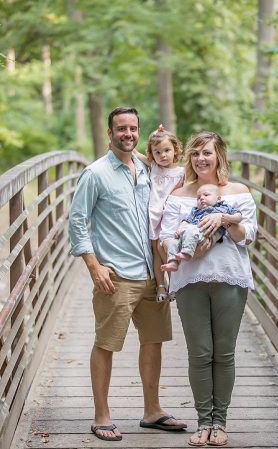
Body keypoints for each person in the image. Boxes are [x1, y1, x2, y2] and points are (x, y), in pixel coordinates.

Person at [68, 107, 187, 442]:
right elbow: (77, 222)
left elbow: (179, 167)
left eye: (133, 128)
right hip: (116, 275)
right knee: (106, 343)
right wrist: (94, 266)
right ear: (110, 133)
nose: (127, 134)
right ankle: (101, 416)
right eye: (121, 129)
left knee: (154, 341)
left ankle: (152, 411)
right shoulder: (95, 174)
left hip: (153, 272)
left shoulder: (149, 167)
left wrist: (159, 141)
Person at [159, 131, 256, 447]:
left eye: (208, 153)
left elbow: (247, 236)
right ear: (189, 158)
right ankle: (203, 422)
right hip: (191, 282)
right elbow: (164, 239)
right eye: (196, 153)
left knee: (224, 353)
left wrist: (225, 219)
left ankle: (220, 423)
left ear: (220, 157)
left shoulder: (238, 193)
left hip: (230, 280)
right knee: (200, 353)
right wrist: (187, 248)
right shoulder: (178, 195)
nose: (201, 159)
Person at [135, 125, 185, 300]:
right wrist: (152, 136)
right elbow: (136, 154)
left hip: (171, 217)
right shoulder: (154, 167)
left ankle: (174, 283)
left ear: (175, 150)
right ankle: (161, 286)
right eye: (157, 152)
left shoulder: (182, 172)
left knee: (167, 248)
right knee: (156, 250)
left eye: (167, 150)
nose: (163, 155)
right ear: (152, 155)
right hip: (154, 216)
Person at [161, 183, 242, 275]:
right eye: (198, 198)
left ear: (218, 198)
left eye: (206, 195)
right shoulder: (195, 210)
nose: (201, 198)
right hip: (191, 233)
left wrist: (225, 218)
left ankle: (187, 253)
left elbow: (238, 217)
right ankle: (173, 262)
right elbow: (186, 221)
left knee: (191, 230)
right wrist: (179, 230)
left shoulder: (225, 207)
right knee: (174, 241)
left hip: (209, 233)